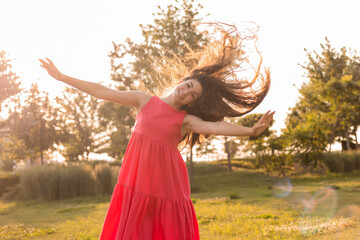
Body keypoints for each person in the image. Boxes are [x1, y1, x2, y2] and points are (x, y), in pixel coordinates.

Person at [39, 24, 274, 240]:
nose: (187, 94)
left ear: (193, 103)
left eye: (193, 96)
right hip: (135, 179)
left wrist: (251, 131)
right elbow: (102, 91)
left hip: (165, 182)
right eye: (189, 87)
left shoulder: (185, 120)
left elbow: (216, 127)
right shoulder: (143, 101)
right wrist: (62, 77)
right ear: (183, 80)